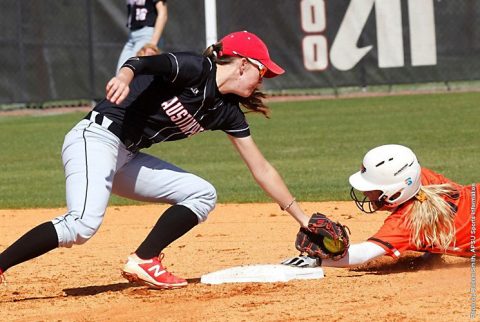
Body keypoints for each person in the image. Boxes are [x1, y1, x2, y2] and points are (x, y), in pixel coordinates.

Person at [0, 30, 311, 289]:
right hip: (95, 139)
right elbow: (141, 62)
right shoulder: (195, 68)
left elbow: (262, 168)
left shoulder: (225, 110)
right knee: (81, 225)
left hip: (125, 156)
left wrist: (304, 219)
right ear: (243, 64)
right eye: (262, 70)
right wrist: (124, 75)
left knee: (202, 194)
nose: (263, 79)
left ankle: (145, 259)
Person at [283, 144, 479, 268]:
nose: (366, 194)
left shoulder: (405, 222)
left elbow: (363, 254)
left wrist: (317, 260)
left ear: (396, 192)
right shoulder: (425, 181)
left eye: (373, 189)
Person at [116, 0, 168, 72]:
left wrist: (152, 45)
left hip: (148, 35)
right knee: (120, 73)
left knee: (134, 73)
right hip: (132, 36)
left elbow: (163, 14)